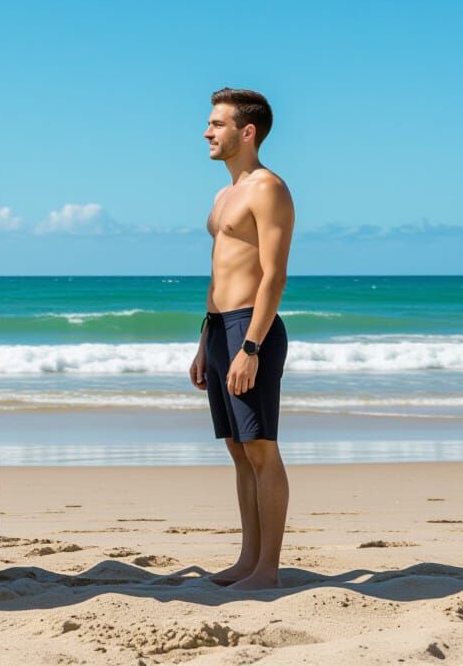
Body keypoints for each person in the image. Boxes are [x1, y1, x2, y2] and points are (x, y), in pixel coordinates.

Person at [189, 87, 295, 590]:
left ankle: (268, 569)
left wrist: (250, 346)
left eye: (217, 123)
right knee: (236, 447)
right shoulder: (221, 194)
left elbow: (273, 275)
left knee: (261, 449)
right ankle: (248, 560)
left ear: (246, 132)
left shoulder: (267, 188)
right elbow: (219, 272)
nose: (207, 132)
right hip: (218, 328)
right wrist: (203, 341)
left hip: (251, 327)